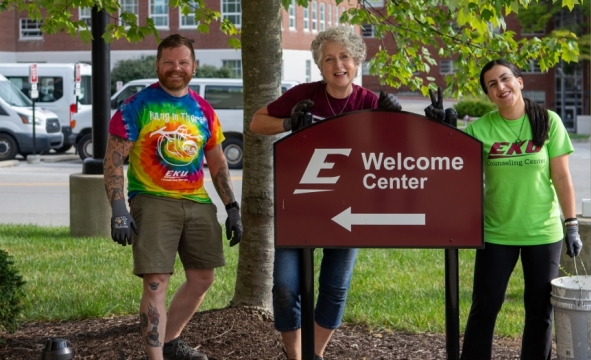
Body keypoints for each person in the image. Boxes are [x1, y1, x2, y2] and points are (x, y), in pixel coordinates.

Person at [250, 25, 410, 360]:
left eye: (345, 57)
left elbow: (398, 153)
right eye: (329, 59)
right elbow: (257, 123)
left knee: (334, 288)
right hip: (299, 204)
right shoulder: (305, 95)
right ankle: (294, 356)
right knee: (285, 286)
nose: (338, 64)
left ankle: (315, 354)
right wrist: (289, 123)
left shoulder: (370, 101)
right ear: (319, 66)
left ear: (356, 62)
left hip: (348, 206)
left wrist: (397, 122)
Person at [103, 34, 242, 360]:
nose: (175, 68)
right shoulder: (136, 106)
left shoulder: (204, 110)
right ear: (158, 65)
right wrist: (119, 207)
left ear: (193, 66)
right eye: (169, 62)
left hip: (197, 201)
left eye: (182, 62)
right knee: (156, 282)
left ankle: (169, 341)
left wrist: (232, 207)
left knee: (203, 277)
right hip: (152, 200)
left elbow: (218, 162)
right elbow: (112, 162)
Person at [460, 59, 583, 360]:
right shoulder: (480, 129)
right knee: (485, 306)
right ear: (488, 95)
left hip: (542, 233)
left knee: (540, 311)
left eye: (505, 79)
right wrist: (444, 126)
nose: (500, 87)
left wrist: (572, 224)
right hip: (497, 232)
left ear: (519, 81)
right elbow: (450, 164)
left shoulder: (548, 121)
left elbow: (562, 177)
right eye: (492, 84)